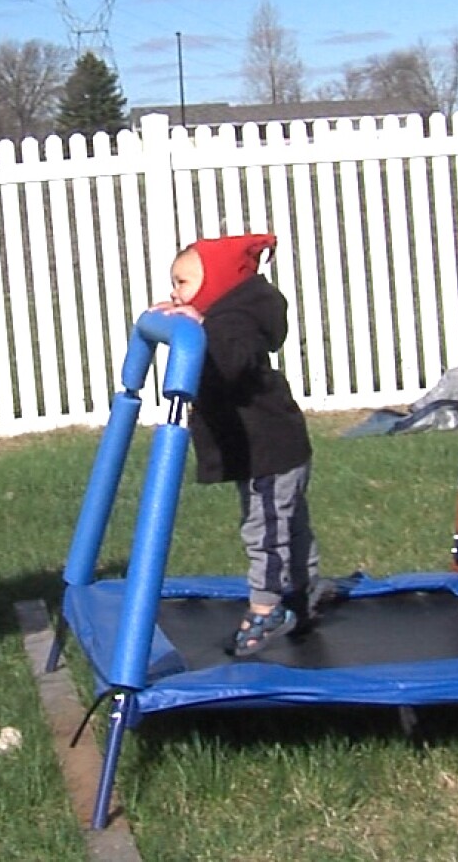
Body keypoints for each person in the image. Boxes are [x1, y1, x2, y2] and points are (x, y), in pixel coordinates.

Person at [156, 233, 332, 657]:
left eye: (183, 282)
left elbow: (233, 362)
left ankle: (267, 606)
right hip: (268, 445)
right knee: (288, 523)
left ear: (215, 281)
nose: (174, 291)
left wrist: (199, 327)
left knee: (265, 528)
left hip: (268, 449)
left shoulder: (234, 321)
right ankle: (305, 588)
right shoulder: (224, 316)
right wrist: (187, 316)